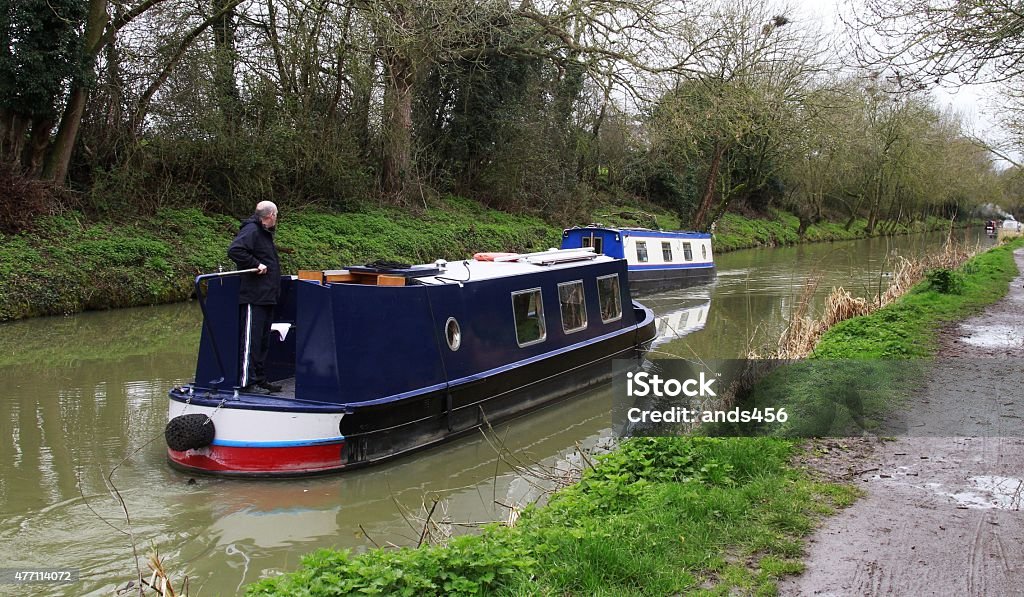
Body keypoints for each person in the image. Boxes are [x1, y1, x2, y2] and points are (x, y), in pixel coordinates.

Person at [228, 201, 282, 394]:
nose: (277, 218)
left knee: (262, 341)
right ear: (271, 215)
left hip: (267, 296)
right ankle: (247, 383)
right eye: (276, 215)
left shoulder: (264, 233)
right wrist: (255, 264)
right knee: (250, 341)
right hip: (254, 296)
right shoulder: (251, 230)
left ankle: (260, 379)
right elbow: (235, 250)